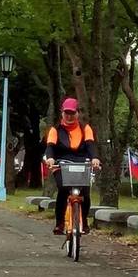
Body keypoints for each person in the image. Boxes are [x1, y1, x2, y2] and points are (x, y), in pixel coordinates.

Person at [44, 97, 101, 235]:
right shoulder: (55, 130)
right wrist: (50, 158)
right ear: (62, 113)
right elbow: (50, 146)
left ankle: (84, 221)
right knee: (63, 190)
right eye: (66, 113)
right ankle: (59, 224)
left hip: (82, 163)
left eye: (72, 113)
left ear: (77, 113)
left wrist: (95, 158)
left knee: (85, 193)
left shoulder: (85, 128)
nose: (69, 116)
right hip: (61, 164)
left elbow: (91, 145)